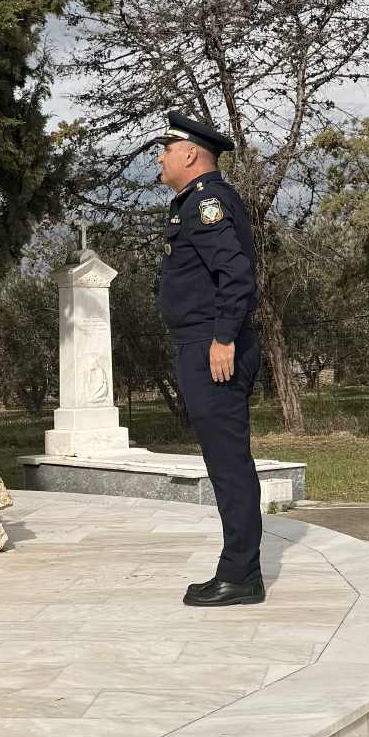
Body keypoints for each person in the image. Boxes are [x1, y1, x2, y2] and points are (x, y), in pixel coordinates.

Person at [149, 110, 265, 606]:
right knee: (225, 462)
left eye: (166, 148)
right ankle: (240, 569)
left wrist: (222, 339)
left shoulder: (208, 202)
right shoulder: (194, 204)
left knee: (229, 463)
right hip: (201, 344)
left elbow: (236, 277)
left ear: (190, 154)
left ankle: (240, 576)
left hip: (213, 349)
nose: (160, 156)